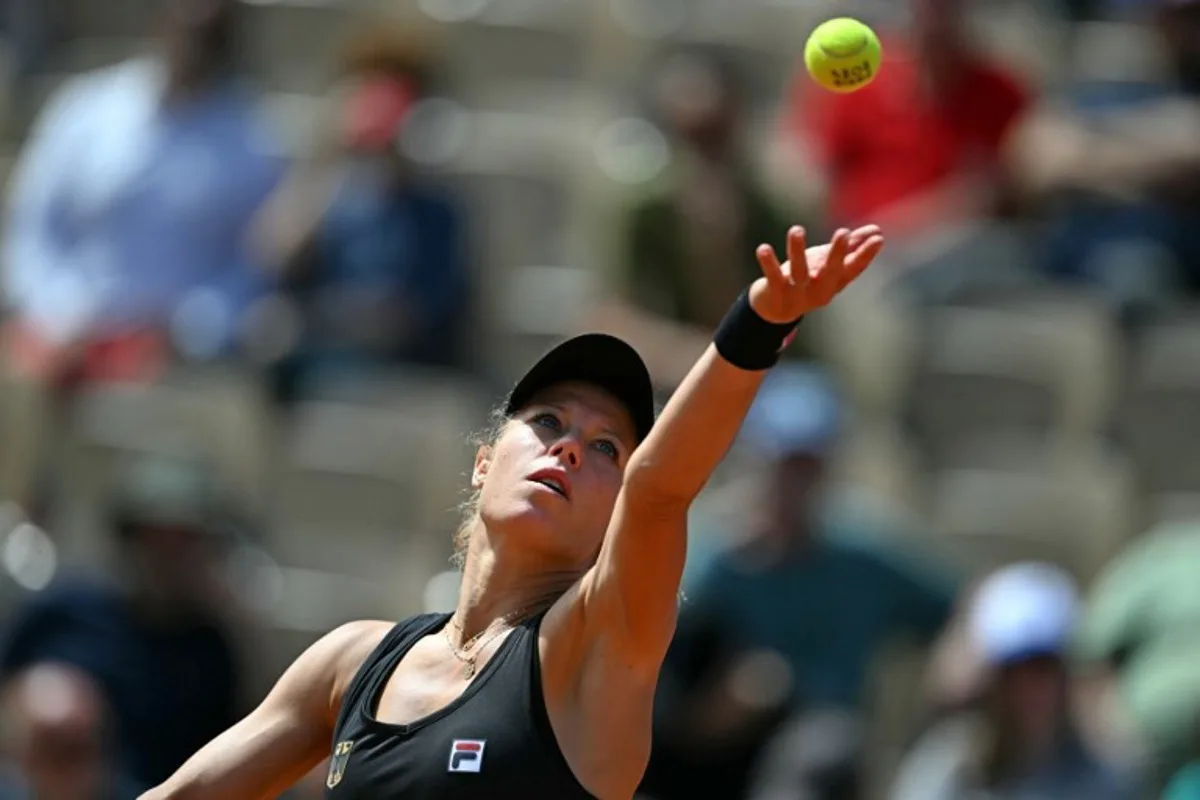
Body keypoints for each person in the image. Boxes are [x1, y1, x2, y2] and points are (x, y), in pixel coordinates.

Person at [138, 221, 884, 799]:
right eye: (550, 424)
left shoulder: (594, 645)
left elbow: (662, 488)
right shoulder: (354, 662)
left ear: (616, 511)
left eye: (605, 450)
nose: (568, 450)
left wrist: (757, 324)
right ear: (484, 460)